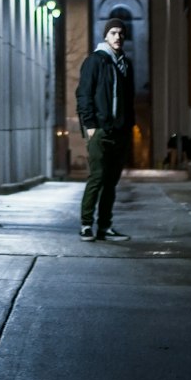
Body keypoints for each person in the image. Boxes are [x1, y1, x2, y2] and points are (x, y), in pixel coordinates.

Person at [75, 17, 134, 240]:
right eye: (113, 33)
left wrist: (129, 126)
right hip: (100, 130)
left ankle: (104, 226)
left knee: (111, 182)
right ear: (105, 36)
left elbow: (128, 99)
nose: (118, 37)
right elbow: (83, 94)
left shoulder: (125, 64)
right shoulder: (95, 61)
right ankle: (86, 224)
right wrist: (90, 125)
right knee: (97, 177)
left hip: (120, 131)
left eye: (121, 33)